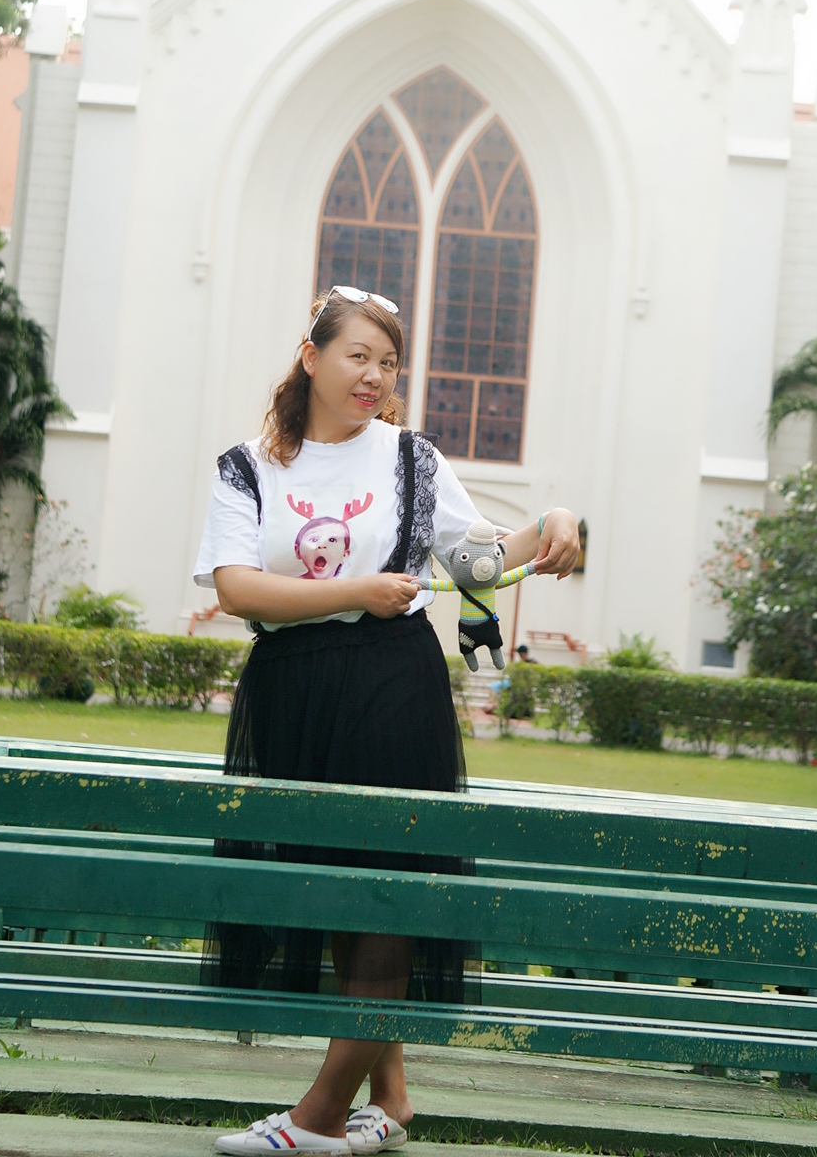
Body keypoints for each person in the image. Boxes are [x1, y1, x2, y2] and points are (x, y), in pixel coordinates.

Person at [194, 284, 580, 1156]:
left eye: (389, 362)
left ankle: (320, 1118)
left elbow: (480, 555)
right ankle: (393, 1096)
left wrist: (555, 522)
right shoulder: (250, 465)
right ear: (311, 356)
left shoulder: (410, 458)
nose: (374, 376)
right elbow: (235, 587)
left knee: (383, 891)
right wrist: (354, 592)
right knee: (339, 889)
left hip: (390, 686)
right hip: (291, 689)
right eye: (357, 356)